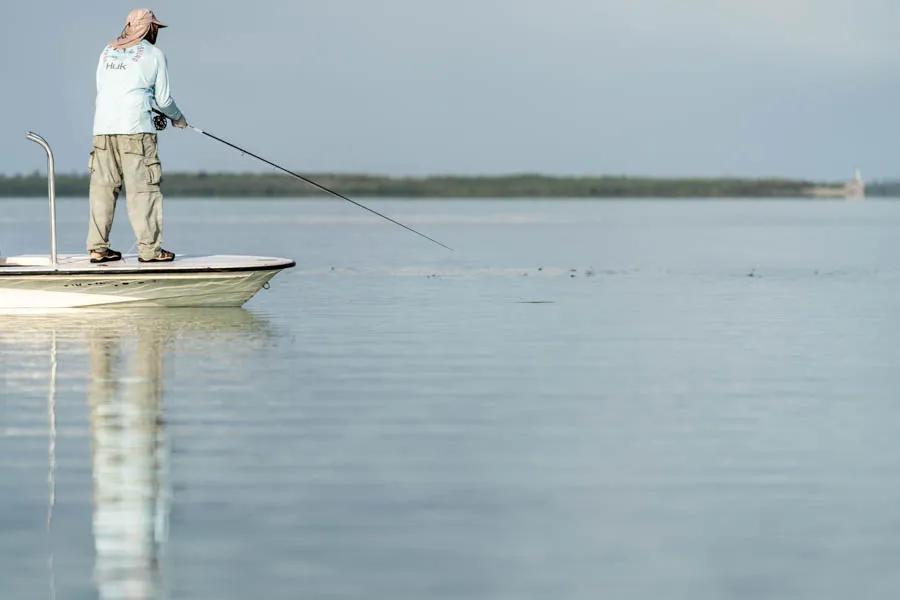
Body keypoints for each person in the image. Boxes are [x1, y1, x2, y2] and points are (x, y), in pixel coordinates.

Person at [87, 8, 187, 263]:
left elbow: (104, 89)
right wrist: (178, 117)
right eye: (154, 27)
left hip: (102, 128)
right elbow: (163, 100)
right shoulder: (155, 55)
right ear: (148, 28)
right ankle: (150, 251)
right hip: (136, 131)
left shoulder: (107, 51)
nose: (156, 32)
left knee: (102, 190)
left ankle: (98, 249)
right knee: (143, 191)